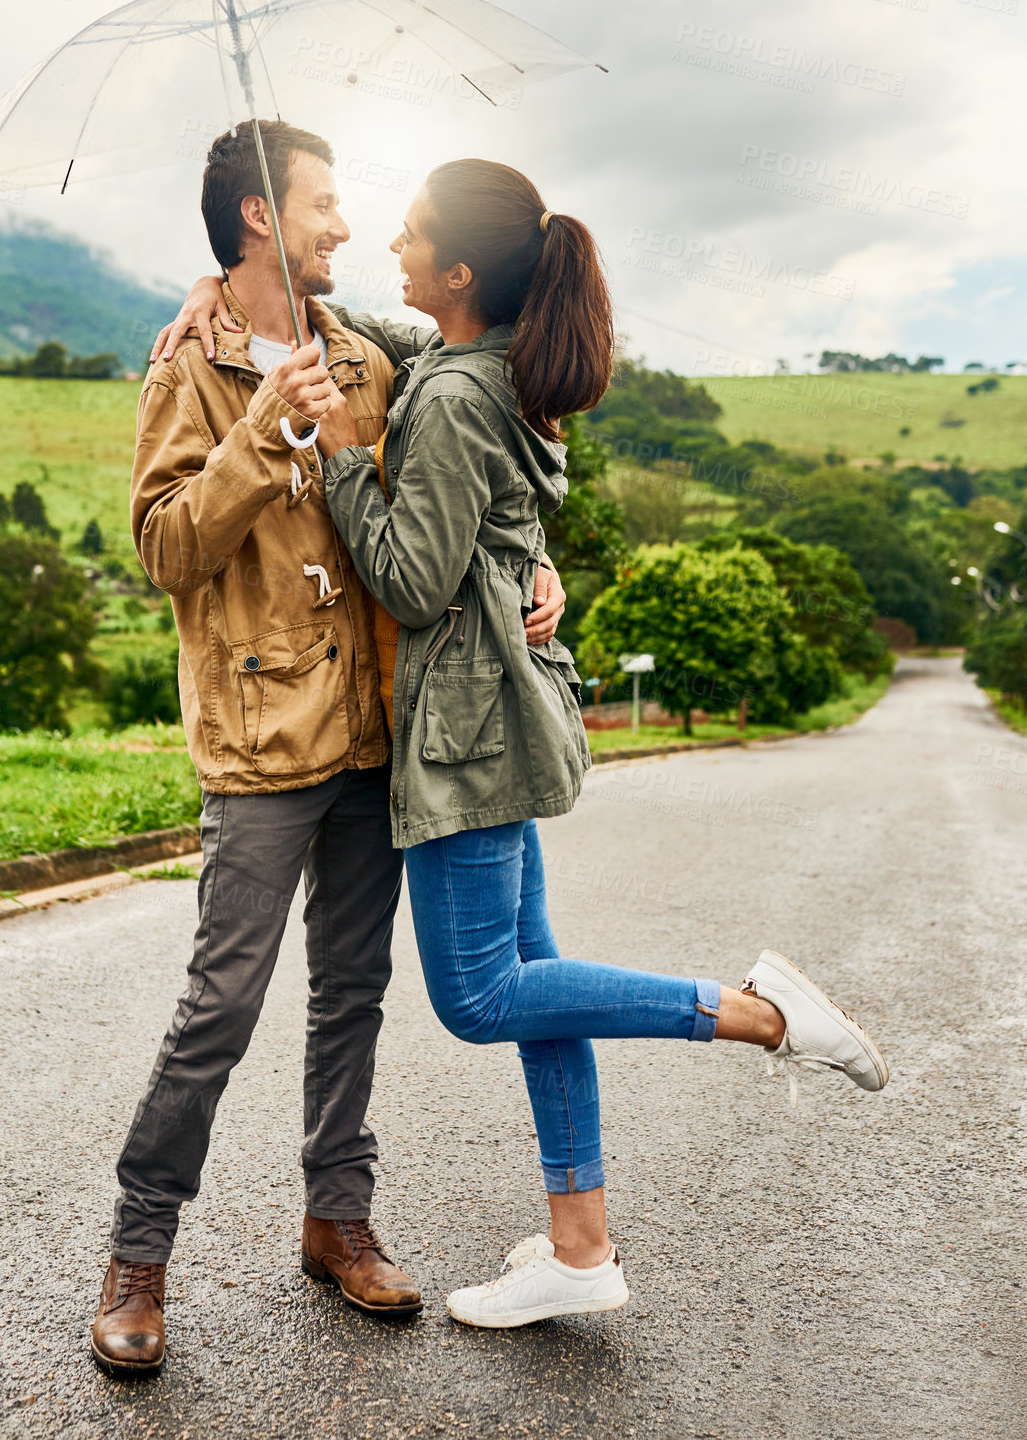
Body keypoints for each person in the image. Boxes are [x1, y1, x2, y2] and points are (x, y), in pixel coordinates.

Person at [310, 159, 891, 1328]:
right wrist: (280, 309)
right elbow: (401, 343)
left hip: (467, 730)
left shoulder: (459, 395)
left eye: (413, 238)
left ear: (462, 274)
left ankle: (759, 1014)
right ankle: (579, 1251)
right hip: (503, 708)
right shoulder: (486, 365)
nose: (391, 248)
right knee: (540, 992)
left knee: (479, 998)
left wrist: (336, 455)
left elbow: (414, 581)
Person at [92, 119, 569, 1374]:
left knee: (349, 1000)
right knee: (220, 1007)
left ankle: (337, 1221)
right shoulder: (189, 369)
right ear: (260, 216)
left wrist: (538, 564)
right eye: (322, 202)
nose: (344, 225)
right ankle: (139, 1254)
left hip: (374, 740)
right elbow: (163, 549)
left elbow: (473, 481)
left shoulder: (367, 355)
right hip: (257, 745)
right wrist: (261, 430)